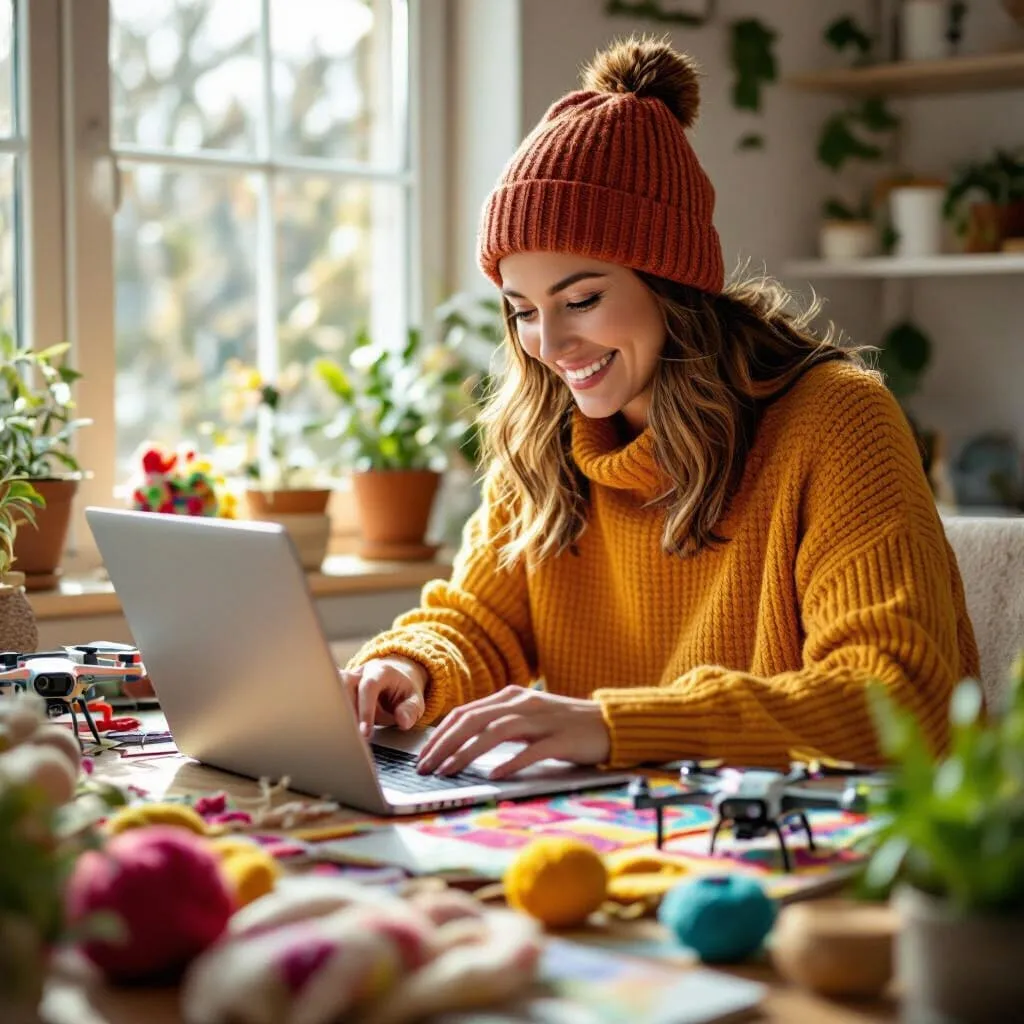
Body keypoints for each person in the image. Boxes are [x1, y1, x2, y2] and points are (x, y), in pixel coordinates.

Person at [341, 36, 978, 779]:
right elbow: (480, 620)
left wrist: (621, 725)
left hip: (829, 846)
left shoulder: (838, 423)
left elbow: (896, 697)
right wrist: (409, 668)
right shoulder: (549, 436)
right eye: (521, 310)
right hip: (630, 832)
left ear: (670, 283)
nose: (549, 343)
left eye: (581, 299)